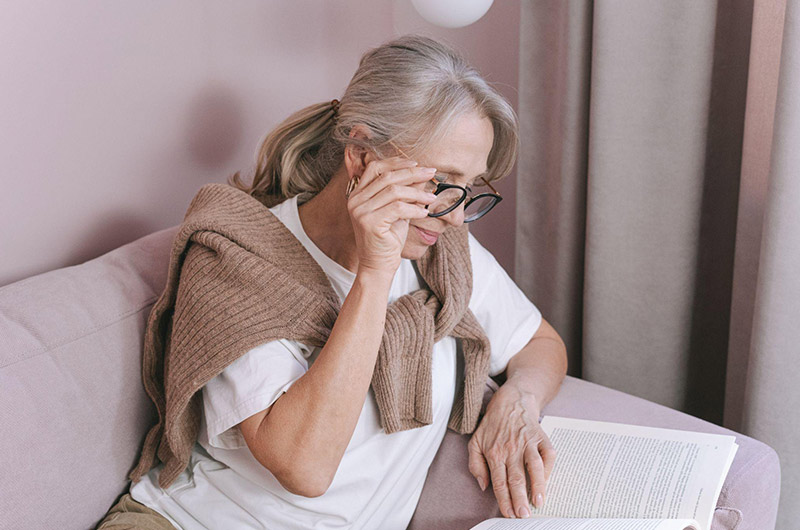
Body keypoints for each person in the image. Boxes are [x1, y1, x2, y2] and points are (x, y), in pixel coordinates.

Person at [97, 34, 567, 530]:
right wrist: (375, 272)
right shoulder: (237, 262)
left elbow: (539, 343)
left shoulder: (442, 251)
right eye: (439, 183)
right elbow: (305, 467)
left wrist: (520, 399)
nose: (455, 215)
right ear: (362, 158)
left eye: (469, 187)